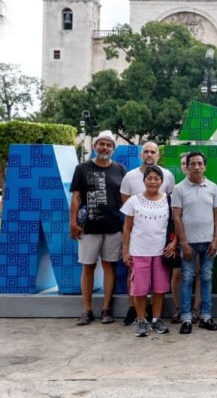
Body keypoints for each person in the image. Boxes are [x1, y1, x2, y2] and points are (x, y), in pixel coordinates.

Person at [69, 130, 127, 326]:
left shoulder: (120, 169)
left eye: (109, 145)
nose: (105, 148)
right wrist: (73, 222)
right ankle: (86, 310)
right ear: (94, 146)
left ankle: (106, 309)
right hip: (88, 228)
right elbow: (76, 197)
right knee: (88, 267)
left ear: (113, 149)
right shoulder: (82, 168)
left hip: (114, 227)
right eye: (101, 144)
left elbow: (124, 199)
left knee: (110, 267)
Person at [119, 142, 176, 326]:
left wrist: (174, 243)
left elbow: (174, 223)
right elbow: (127, 227)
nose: (153, 181)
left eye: (156, 179)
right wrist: (125, 251)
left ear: (162, 181)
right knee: (140, 288)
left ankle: (156, 319)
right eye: (149, 178)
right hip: (139, 251)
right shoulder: (133, 197)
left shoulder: (168, 199)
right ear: (143, 181)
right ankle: (141, 319)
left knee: (159, 288)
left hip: (160, 251)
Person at [172, 151, 217, 334]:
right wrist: (184, 243)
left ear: (205, 166)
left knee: (207, 278)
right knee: (187, 278)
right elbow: (177, 217)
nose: (196, 167)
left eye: (200, 163)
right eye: (192, 163)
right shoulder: (179, 188)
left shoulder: (212, 187)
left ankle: (206, 317)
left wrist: (216, 239)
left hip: (208, 242)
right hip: (189, 243)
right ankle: (186, 318)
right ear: (187, 166)